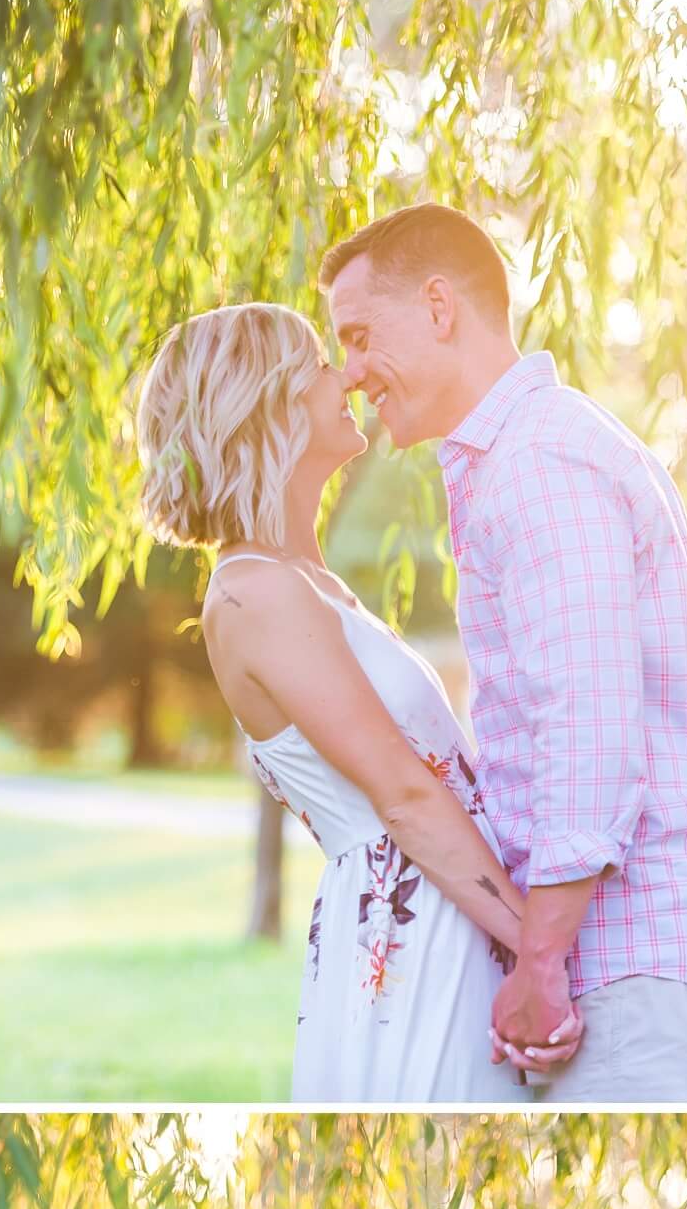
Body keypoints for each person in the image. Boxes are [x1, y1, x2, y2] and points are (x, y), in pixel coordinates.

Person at [321, 204, 687, 1103]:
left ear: (440, 306)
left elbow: (588, 724)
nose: (353, 372)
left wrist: (539, 962)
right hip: (611, 955)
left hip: (628, 956)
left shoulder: (538, 465)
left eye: (363, 336)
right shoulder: (522, 457)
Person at [136, 302, 581, 1102]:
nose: (346, 374)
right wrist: (539, 955)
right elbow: (406, 795)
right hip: (422, 930)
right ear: (264, 404)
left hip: (450, 910)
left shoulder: (309, 582)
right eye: (317, 362)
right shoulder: (252, 595)